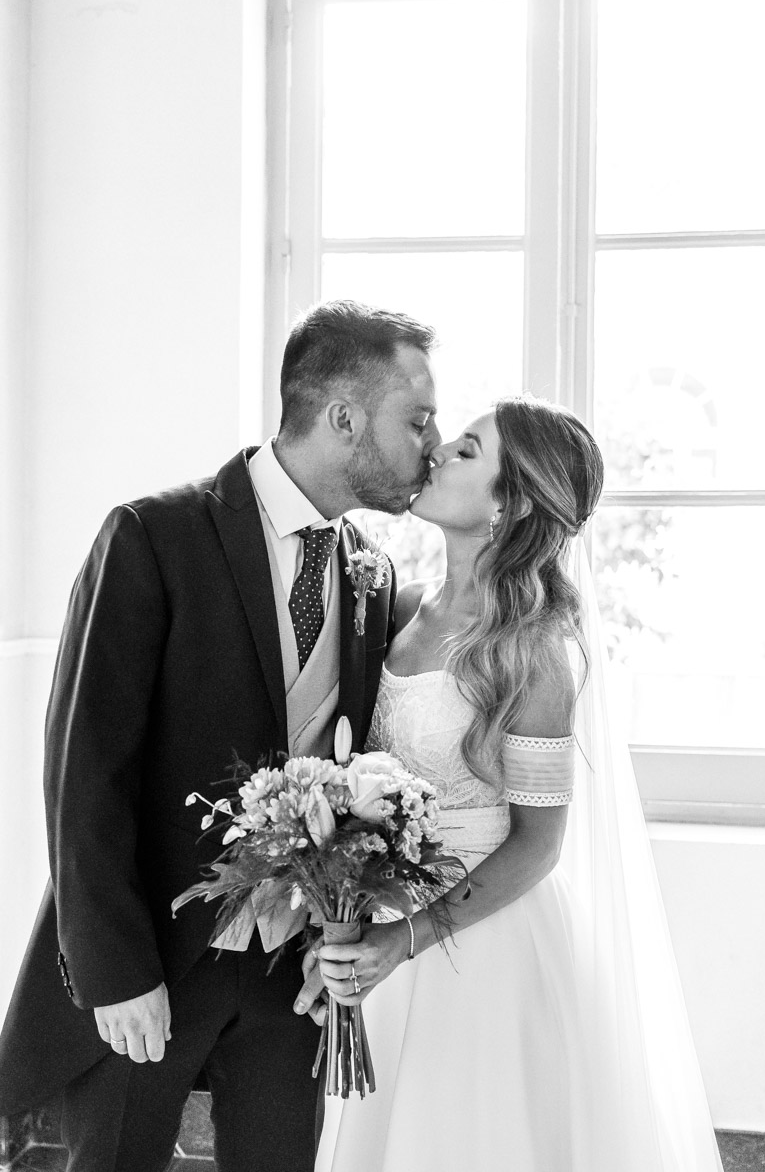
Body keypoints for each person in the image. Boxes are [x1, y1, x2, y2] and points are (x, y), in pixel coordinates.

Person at [0, 300, 441, 1172]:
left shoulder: (372, 570)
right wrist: (115, 972)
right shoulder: (153, 537)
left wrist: (340, 930)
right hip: (153, 964)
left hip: (289, 979)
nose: (432, 444)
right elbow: (85, 773)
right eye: (417, 419)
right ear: (343, 417)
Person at [300, 396, 724, 1172]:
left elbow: (539, 845)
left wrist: (407, 937)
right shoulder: (400, 606)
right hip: (386, 935)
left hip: (483, 947)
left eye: (467, 450)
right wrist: (343, 923)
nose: (437, 451)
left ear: (511, 504)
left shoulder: (534, 649)